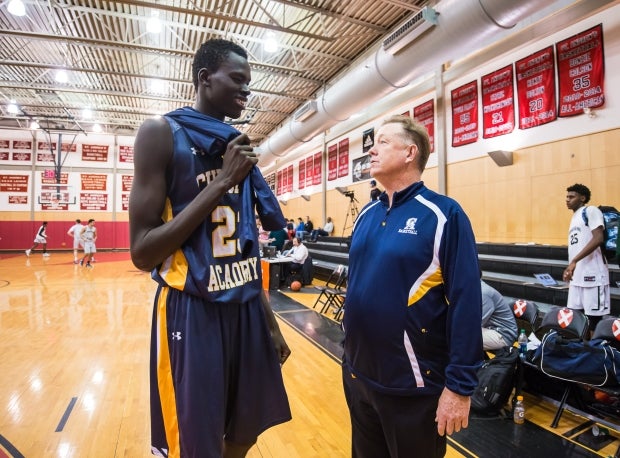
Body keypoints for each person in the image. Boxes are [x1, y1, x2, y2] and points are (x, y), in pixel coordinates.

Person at [129, 38, 291, 457]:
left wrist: (268, 322)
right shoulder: (161, 133)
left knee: (246, 428)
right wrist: (222, 182)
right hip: (192, 306)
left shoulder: (236, 146)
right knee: (196, 442)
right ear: (204, 78)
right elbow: (142, 252)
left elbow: (243, 249)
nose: (247, 91)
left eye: (249, 83)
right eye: (238, 79)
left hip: (244, 304)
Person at [342, 115, 482, 457]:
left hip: (413, 385)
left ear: (410, 152)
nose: (371, 151)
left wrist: (459, 388)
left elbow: (467, 301)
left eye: (383, 142)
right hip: (358, 376)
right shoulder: (365, 215)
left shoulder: (443, 214)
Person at [563, 183, 610, 331]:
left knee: (594, 322)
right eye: (567, 196)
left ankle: (596, 351)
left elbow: (598, 238)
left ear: (582, 198)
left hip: (593, 276)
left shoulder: (591, 211)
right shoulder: (574, 217)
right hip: (577, 278)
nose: (567, 199)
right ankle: (583, 351)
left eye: (572, 196)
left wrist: (575, 261)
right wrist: (570, 267)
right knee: (577, 320)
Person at [481, 279, 518, 350]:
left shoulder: (484, 293)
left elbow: (475, 324)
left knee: (462, 336)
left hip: (503, 335)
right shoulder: (476, 290)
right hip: (490, 329)